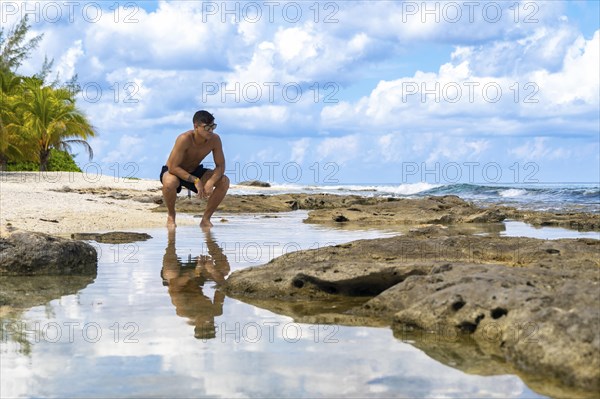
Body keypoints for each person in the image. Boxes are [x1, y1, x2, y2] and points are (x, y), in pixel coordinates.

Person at [160, 110, 230, 229]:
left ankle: (205, 219)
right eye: (207, 127)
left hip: (194, 170)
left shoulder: (215, 139)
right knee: (169, 182)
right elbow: (173, 167)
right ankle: (171, 216)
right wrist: (196, 181)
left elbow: (220, 166)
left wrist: (211, 182)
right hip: (175, 171)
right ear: (196, 126)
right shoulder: (184, 138)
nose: (211, 131)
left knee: (224, 181)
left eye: (213, 126)